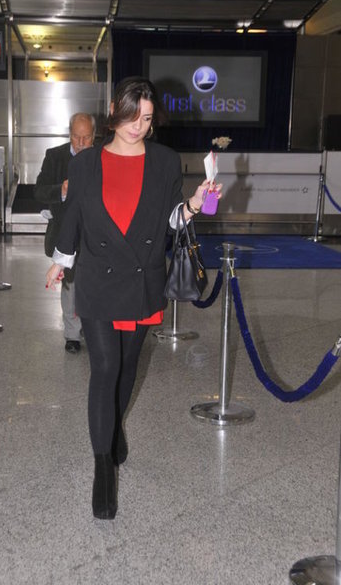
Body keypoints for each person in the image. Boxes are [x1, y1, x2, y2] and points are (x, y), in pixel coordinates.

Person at [45, 77, 222, 519]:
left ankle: (114, 427)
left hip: (143, 280)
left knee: (126, 369)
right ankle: (102, 467)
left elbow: (171, 220)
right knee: (105, 367)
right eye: (131, 116)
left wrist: (195, 202)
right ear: (114, 111)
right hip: (97, 280)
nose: (138, 126)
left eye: (146, 119)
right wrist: (60, 260)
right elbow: (74, 214)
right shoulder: (87, 162)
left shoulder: (164, 161)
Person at [35, 112, 95, 354]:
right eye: (76, 137)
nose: (80, 143)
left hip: (94, 233)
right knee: (70, 284)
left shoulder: (102, 157)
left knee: (92, 285)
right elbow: (39, 191)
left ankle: (93, 329)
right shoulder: (55, 156)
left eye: (86, 137)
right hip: (64, 232)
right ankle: (72, 335)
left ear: (94, 136)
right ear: (69, 134)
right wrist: (60, 190)